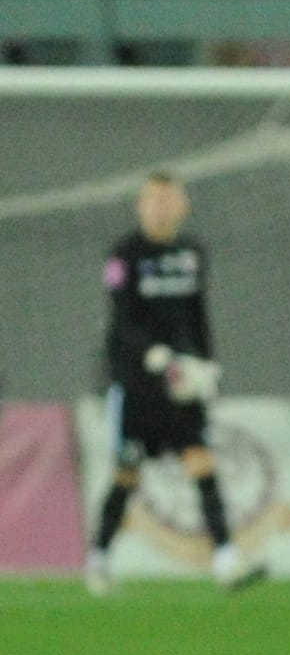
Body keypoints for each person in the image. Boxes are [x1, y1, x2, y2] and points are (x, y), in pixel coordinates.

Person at [85, 172, 264, 595]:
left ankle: (226, 560)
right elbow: (121, 321)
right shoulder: (124, 255)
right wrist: (155, 355)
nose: (161, 207)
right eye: (153, 200)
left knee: (202, 464)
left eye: (169, 199)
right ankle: (98, 557)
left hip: (182, 385)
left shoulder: (192, 253)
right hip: (136, 386)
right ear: (141, 206)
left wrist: (208, 368)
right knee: (127, 474)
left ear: (183, 205)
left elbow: (198, 316)